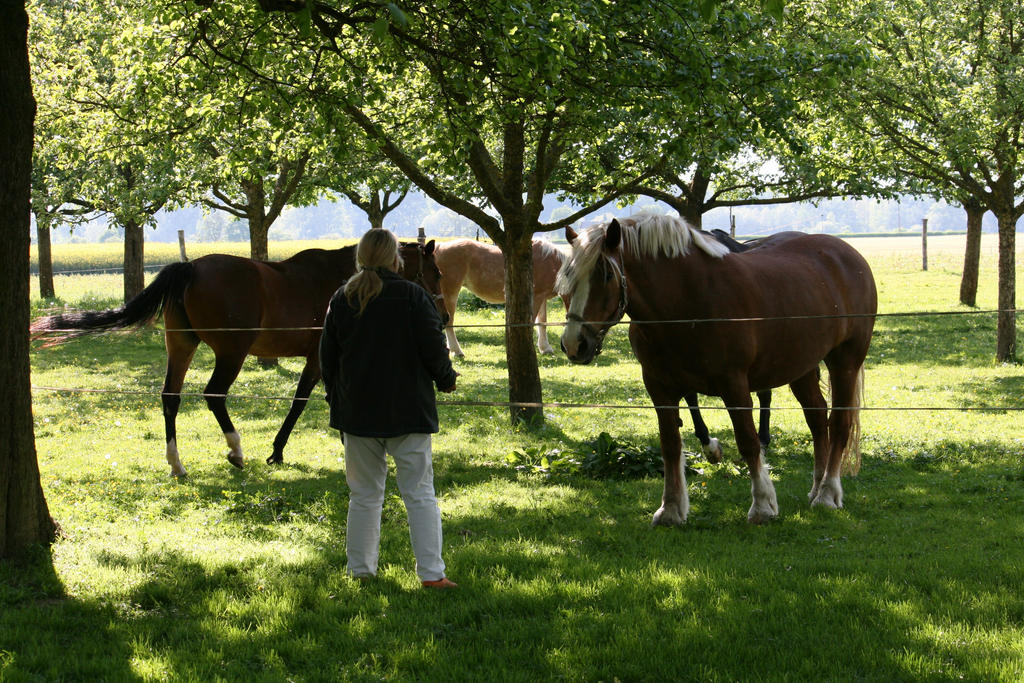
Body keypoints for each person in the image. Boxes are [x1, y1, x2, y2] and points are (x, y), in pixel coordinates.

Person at [319, 229, 459, 590]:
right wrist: (446, 380)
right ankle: (432, 575)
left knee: (363, 496)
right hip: (407, 410)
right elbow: (434, 348)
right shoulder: (413, 295)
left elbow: (327, 360)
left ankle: (361, 572)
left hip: (357, 413)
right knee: (419, 494)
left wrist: (338, 398)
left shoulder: (341, 297)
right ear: (396, 258)